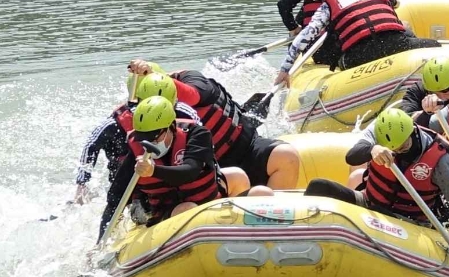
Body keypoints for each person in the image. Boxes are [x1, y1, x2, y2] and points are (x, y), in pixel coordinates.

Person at [303, 108, 449, 273]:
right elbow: (352, 156)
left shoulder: (440, 160)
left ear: (413, 132)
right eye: (394, 149)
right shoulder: (377, 132)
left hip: (410, 224)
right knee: (318, 186)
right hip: (369, 203)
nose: (399, 152)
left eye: (403, 147)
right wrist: (373, 148)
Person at [97, 97, 268, 241]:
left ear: (170, 126)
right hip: (171, 211)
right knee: (187, 208)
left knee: (261, 193)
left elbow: (191, 171)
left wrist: (154, 171)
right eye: (144, 138)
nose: (149, 144)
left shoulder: (197, 135)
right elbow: (116, 198)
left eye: (154, 137)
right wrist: (100, 242)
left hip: (210, 199)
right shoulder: (136, 152)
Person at [127, 60, 301, 190]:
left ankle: (273, 221)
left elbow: (194, 96)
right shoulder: (144, 119)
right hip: (208, 169)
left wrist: (155, 77)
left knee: (286, 156)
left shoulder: (192, 80)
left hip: (248, 150)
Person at [274, 0, 439, 82]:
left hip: (357, 56)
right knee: (434, 44)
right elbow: (392, 8)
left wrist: (284, 70)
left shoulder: (328, 2)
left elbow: (306, 35)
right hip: (396, 44)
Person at [74, 73, 200, 205]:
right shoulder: (115, 123)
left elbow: (201, 147)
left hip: (176, 172)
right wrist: (82, 184)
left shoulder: (185, 114)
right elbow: (91, 145)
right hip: (132, 179)